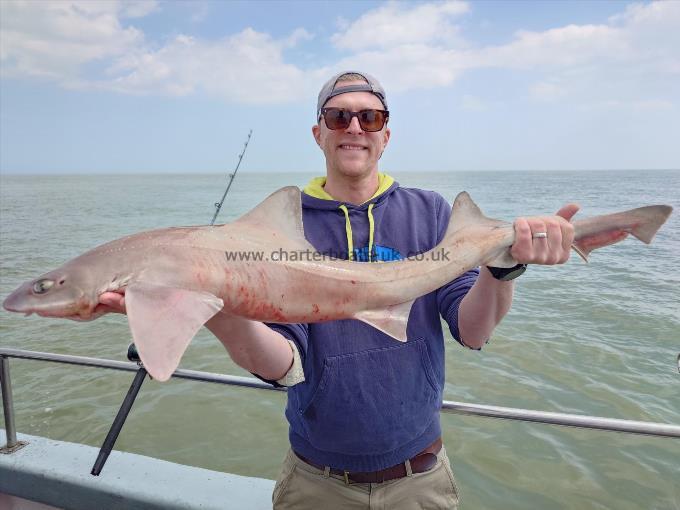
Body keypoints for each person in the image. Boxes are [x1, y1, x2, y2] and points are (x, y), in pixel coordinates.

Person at [99, 71, 577, 509]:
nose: (354, 127)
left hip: (421, 478)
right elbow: (283, 365)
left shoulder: (430, 214)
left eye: (370, 117)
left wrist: (503, 266)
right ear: (319, 133)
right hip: (316, 482)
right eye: (338, 115)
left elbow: (472, 332)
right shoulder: (278, 233)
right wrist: (214, 307)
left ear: (385, 135)